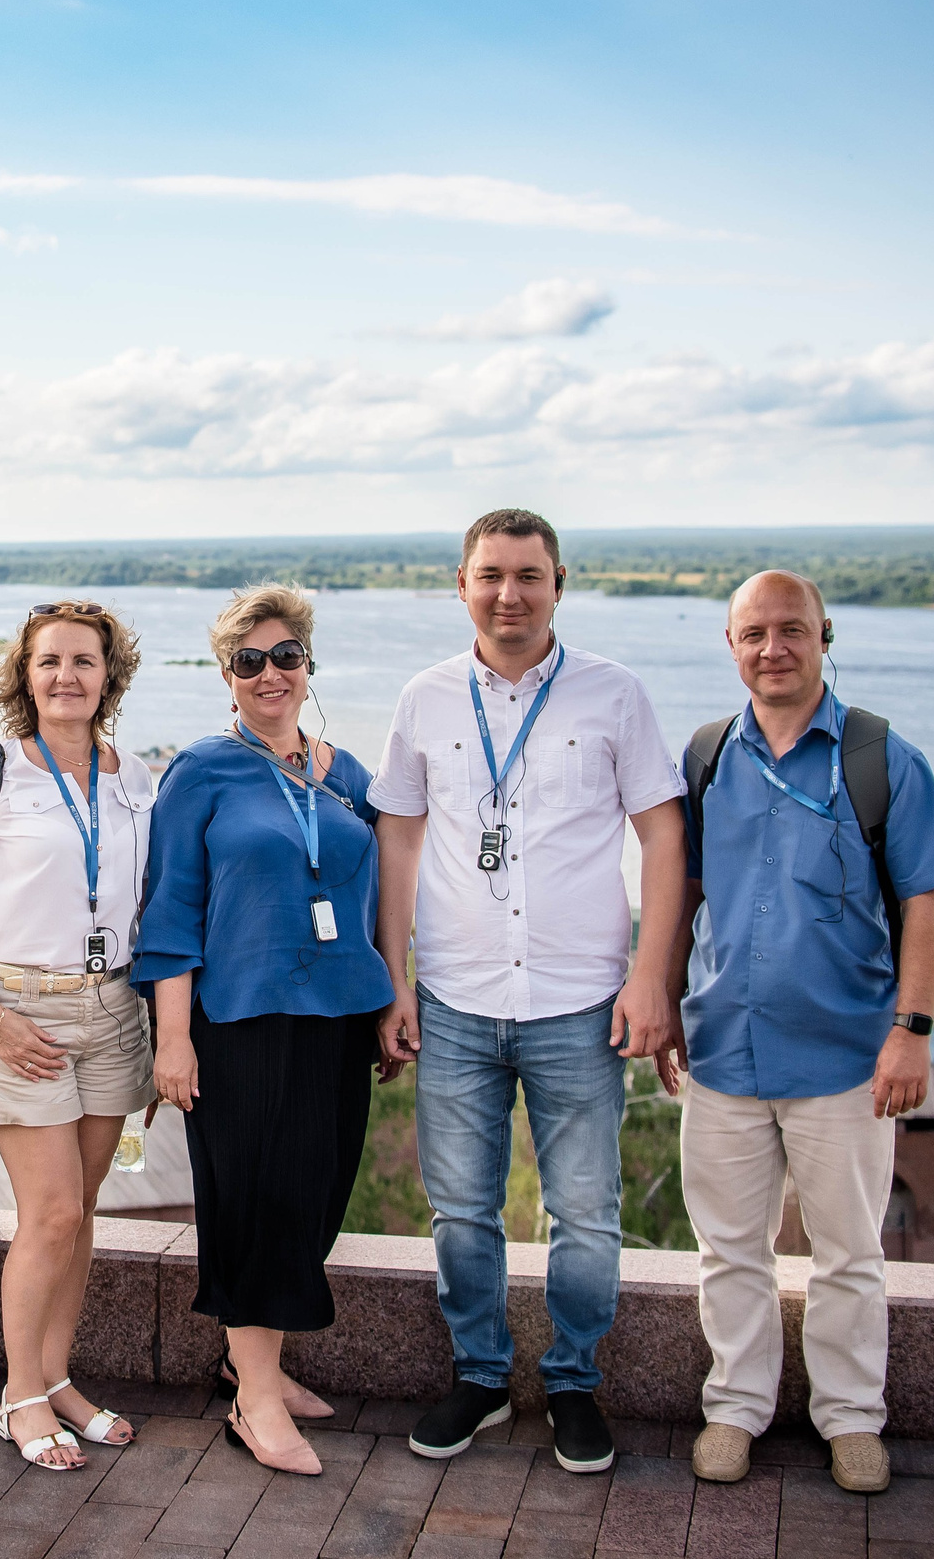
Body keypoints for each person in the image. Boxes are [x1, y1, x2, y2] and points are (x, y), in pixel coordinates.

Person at [371, 509, 687, 1475]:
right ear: (461, 585)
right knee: (461, 1211)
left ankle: (573, 1383)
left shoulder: (614, 695)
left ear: (559, 584)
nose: (509, 593)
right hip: (460, 999)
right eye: (491, 575)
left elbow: (665, 838)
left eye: (529, 576)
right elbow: (398, 840)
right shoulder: (425, 698)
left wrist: (651, 976)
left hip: (581, 1001)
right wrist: (397, 980)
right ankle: (480, 1375)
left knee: (585, 1212)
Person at [665, 571, 934, 1496]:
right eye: (753, 633)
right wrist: (664, 993)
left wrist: (910, 1031)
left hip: (843, 1058)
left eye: (791, 630)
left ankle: (851, 1419)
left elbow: (926, 902)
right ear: (730, 644)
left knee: (848, 1253)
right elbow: (684, 893)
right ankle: (736, 1408)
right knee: (729, 1250)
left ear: (824, 636)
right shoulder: (707, 755)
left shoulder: (883, 759)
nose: (772, 649)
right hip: (722, 1054)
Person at [135, 584, 393, 1476]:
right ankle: (253, 1396)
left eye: (286, 656)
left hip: (337, 1019)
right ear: (226, 674)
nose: (270, 673)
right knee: (254, 1200)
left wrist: (392, 1001)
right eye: (250, 660)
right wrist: (174, 1037)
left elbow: (376, 899)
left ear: (307, 664)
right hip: (238, 1022)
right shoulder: (202, 770)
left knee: (315, 1195)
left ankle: (258, 1367)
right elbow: (170, 911)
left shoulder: (346, 771)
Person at [0, 600, 156, 1472]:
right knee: (52, 1208)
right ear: (25, 674)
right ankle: (19, 1396)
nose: (67, 675)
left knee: (81, 1211)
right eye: (50, 660)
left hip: (113, 1009)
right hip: (17, 1009)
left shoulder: (136, 777)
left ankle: (55, 1375)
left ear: (110, 675)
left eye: (84, 661)